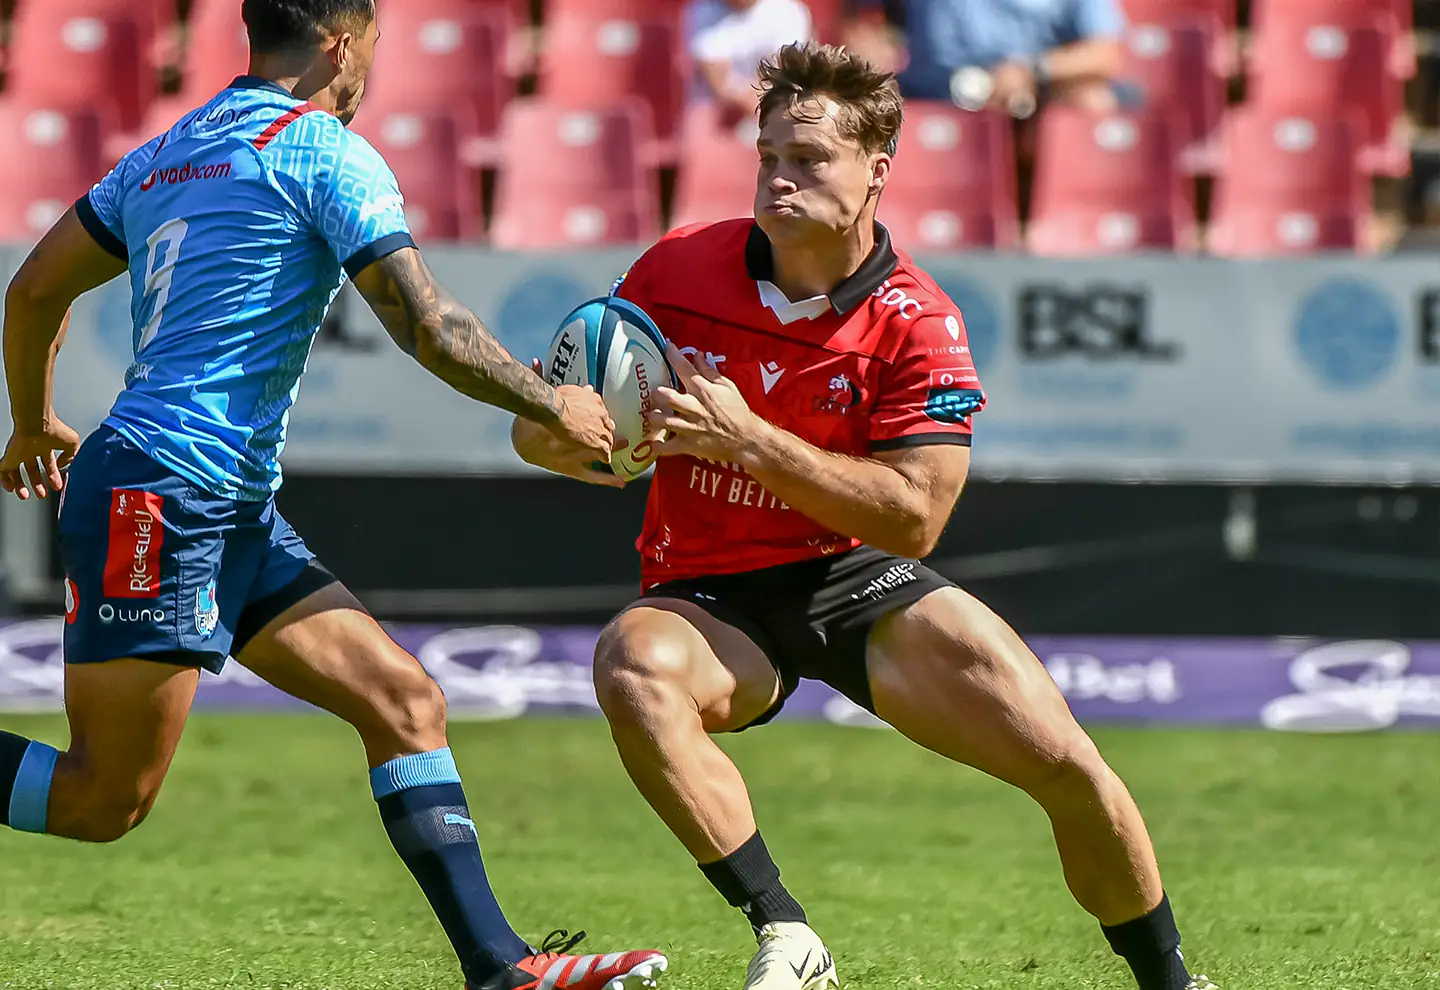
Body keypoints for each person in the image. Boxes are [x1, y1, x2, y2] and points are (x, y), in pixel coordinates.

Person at [0, 2, 671, 988]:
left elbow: (32, 290)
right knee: (103, 800)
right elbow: (427, 325)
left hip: (221, 501)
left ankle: (500, 968)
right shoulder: (325, 150)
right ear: (340, 43)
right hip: (158, 491)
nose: (369, 77)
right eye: (372, 55)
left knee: (403, 700)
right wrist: (553, 403)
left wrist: (31, 420)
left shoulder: (165, 151)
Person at [512, 42, 1213, 990]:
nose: (780, 178)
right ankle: (788, 935)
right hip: (709, 591)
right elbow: (551, 434)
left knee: (1071, 769)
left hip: (856, 576)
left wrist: (748, 441)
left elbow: (915, 520)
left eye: (809, 159)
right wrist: (574, 437)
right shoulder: (675, 268)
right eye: (768, 157)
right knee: (632, 667)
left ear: (876, 170)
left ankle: (1173, 983)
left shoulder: (918, 321)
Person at [851, 0, 1128, 115]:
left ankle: (1047, 221)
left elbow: (1104, 53)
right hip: (926, 91)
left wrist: (1031, 71)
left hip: (1027, 96)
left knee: (1091, 100)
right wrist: (874, 48)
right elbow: (861, 25)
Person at [687, 0, 815, 118]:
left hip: (775, 104)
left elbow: (784, 70)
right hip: (718, 110)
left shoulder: (789, 11)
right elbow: (717, 81)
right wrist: (747, 98)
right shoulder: (703, 9)